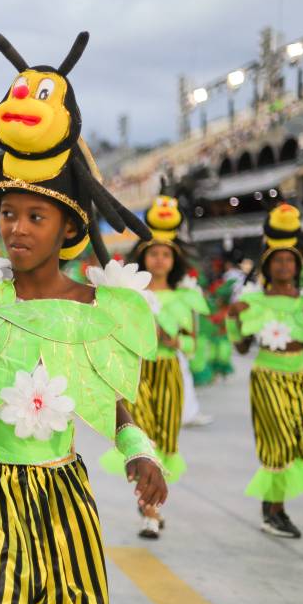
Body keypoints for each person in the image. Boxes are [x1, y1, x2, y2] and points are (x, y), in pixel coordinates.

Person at [0, 30, 167, 604]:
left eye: (36, 217)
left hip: (62, 494)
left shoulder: (94, 307)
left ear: (68, 229)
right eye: (9, 214)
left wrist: (138, 451)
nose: (18, 229)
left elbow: (110, 397)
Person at [227, 203, 303, 538]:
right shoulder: (254, 301)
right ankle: (275, 511)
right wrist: (233, 319)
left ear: (298, 266)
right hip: (267, 378)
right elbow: (241, 348)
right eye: (278, 260)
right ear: (266, 265)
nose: (284, 265)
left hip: (300, 379)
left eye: (290, 260)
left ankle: (272, 506)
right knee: (280, 444)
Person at [105, 194, 208, 539]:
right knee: (142, 437)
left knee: (164, 440)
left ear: (174, 260)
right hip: (139, 374)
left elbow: (193, 344)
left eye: (166, 254)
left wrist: (174, 341)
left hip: (169, 374)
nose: (160, 259)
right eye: (153, 253)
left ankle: (152, 504)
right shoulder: (131, 296)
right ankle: (150, 512)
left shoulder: (186, 297)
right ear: (143, 257)